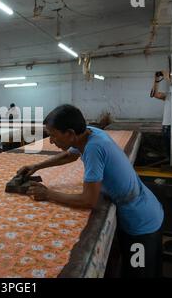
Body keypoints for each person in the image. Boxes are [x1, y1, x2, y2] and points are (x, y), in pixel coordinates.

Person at [17, 104, 164, 278]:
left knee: (138, 271)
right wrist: (36, 166)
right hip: (144, 206)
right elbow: (70, 154)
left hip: (141, 221)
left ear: (70, 133)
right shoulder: (90, 133)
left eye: (53, 135)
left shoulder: (94, 149)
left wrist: (48, 194)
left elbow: (89, 200)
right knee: (138, 267)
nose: (51, 141)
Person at [150, 70, 172, 158]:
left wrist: (166, 76)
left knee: (171, 154)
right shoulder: (169, 95)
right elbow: (154, 94)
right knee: (167, 153)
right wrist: (156, 79)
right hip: (166, 127)